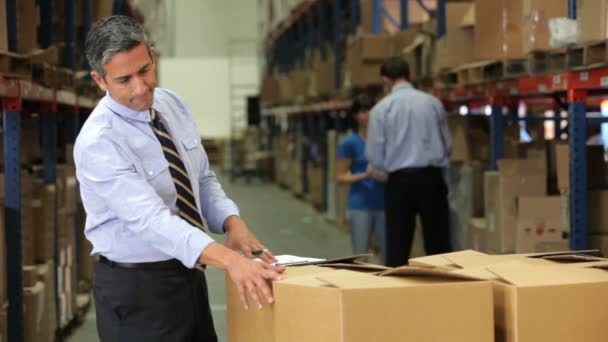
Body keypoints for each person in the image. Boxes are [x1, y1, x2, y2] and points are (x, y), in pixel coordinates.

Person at [75, 15, 284, 342]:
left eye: (144, 70)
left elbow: (200, 178)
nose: (140, 88)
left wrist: (232, 221)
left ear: (153, 56)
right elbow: (151, 220)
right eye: (124, 80)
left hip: (189, 275)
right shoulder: (99, 142)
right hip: (138, 293)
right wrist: (228, 260)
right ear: (99, 81)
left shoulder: (172, 105)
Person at [366, 56, 453, 267]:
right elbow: (447, 144)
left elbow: (375, 155)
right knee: (438, 241)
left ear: (385, 80)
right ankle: (447, 291)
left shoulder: (380, 109)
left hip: (399, 181)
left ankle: (398, 292)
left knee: (397, 243)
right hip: (431, 178)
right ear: (409, 76)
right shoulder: (432, 103)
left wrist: (387, 171)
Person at [336, 94, 387, 264]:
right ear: (356, 116)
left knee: (388, 254)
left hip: (384, 204)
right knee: (360, 256)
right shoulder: (350, 143)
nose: (368, 115)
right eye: (363, 112)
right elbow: (341, 177)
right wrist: (365, 175)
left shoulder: (384, 141)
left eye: (371, 110)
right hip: (360, 205)